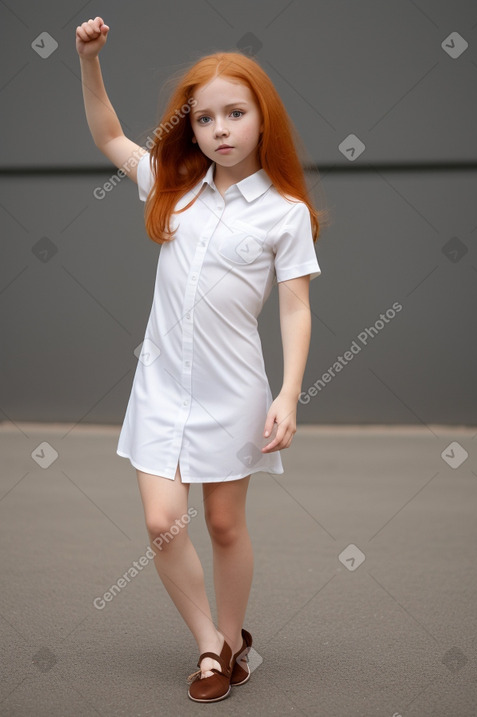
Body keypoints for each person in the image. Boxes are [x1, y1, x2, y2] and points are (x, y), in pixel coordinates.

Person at [76, 16, 323, 703]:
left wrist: (289, 392)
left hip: (235, 390)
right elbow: (107, 136)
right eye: (206, 117)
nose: (220, 128)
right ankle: (209, 644)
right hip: (159, 386)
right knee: (162, 522)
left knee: (222, 523)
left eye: (235, 113)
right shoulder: (170, 185)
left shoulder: (285, 213)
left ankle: (235, 636)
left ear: (261, 120)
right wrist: (90, 62)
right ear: (191, 128)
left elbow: (295, 307)